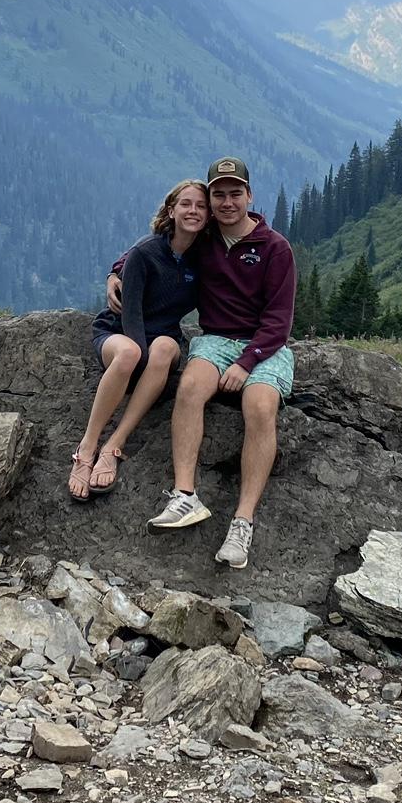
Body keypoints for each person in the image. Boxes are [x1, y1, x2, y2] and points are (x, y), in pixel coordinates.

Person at [107, 156, 296, 570]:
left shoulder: (275, 248)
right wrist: (117, 271)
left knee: (260, 406)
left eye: (235, 194)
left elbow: (279, 322)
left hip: (265, 346)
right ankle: (184, 496)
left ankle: (242, 522)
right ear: (210, 201)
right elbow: (155, 248)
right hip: (213, 340)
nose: (227, 202)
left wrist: (247, 363)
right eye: (219, 195)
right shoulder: (205, 237)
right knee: (190, 388)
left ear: (250, 196)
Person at [71, 179, 210, 501]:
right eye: (186, 204)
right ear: (171, 210)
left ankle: (114, 444)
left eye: (201, 206)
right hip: (119, 330)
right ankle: (87, 446)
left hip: (164, 336)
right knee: (131, 353)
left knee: (164, 348)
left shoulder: (204, 259)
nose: (193, 211)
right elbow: (130, 313)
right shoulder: (145, 252)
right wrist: (142, 369)